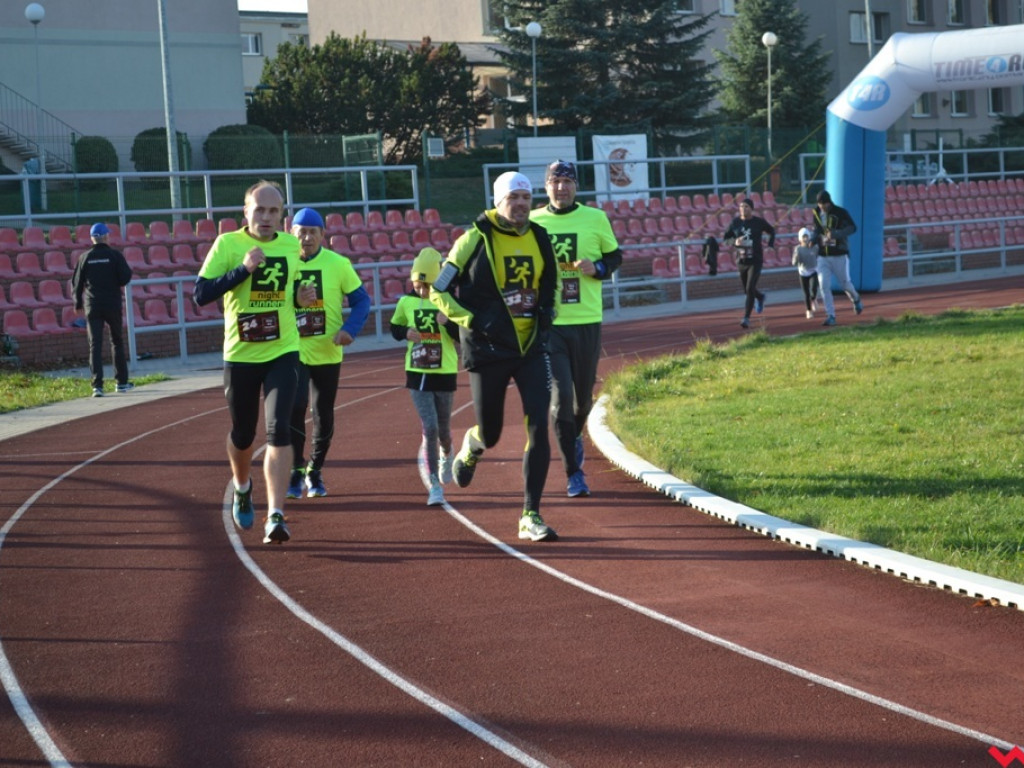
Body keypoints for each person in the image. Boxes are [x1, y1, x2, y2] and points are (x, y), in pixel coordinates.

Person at [429, 171, 559, 542]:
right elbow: (439, 292)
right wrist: (471, 319)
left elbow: (550, 284)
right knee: (493, 430)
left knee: (539, 426)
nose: (520, 204)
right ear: (497, 202)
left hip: (531, 346)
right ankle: (473, 444)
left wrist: (549, 313)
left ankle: (530, 514)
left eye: (525, 198)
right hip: (488, 348)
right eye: (513, 198)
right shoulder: (472, 239)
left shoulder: (540, 236)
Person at [194, 180, 316, 545]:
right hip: (241, 354)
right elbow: (200, 294)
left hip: (282, 350)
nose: (266, 216)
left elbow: (287, 293)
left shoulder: (292, 246)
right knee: (244, 434)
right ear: (245, 213)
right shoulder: (228, 244)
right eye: (259, 210)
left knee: (279, 430)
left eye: (273, 210)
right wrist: (243, 270)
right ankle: (242, 485)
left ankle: (276, 514)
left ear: (282, 215)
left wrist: (300, 298)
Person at [529, 159, 622, 498]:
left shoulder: (596, 218)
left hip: (586, 321)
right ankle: (574, 472)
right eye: (556, 181)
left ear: (576, 187)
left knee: (582, 402)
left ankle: (574, 436)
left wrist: (595, 267)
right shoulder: (533, 221)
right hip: (551, 325)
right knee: (560, 398)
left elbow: (615, 258)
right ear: (546, 186)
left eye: (567, 181)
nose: (561, 187)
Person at [286, 207, 371, 499]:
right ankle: (296, 469)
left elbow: (362, 301)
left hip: (328, 351)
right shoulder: (283, 264)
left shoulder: (338, 264)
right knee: (295, 408)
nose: (307, 238)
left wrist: (350, 329)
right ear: (291, 233)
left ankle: (315, 469)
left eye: (313, 232)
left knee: (323, 414)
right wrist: (295, 302)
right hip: (293, 349)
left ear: (323, 235)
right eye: (301, 232)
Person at [390, 247, 459, 506]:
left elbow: (461, 335)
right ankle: (434, 485)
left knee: (443, 430)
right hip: (417, 372)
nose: (422, 291)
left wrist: (448, 323)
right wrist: (405, 333)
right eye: (418, 286)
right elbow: (395, 326)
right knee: (429, 428)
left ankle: (447, 453)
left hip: (445, 371)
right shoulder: (405, 302)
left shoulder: (448, 301)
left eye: (427, 285)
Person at [71, 222, 134, 398]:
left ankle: (97, 386)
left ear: (92, 238)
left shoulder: (85, 257)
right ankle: (121, 382)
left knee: (94, 345)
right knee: (117, 342)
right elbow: (125, 278)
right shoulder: (114, 256)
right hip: (112, 304)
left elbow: (76, 282)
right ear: (106, 237)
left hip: (93, 305)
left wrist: (77, 302)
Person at [812, 189, 863, 327]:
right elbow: (817, 229)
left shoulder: (841, 212)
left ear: (829, 202)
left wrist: (836, 234)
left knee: (845, 284)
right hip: (823, 256)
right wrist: (813, 238)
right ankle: (831, 315)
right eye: (820, 204)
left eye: (824, 204)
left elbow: (853, 228)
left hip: (839, 254)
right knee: (823, 285)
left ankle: (856, 298)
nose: (822, 207)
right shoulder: (816, 213)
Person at [722, 197, 775, 328]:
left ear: (752, 209)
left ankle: (746, 317)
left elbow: (771, 230)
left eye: (746, 207)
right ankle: (760, 297)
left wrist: (770, 243)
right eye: (741, 207)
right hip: (741, 260)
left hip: (755, 260)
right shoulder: (735, 222)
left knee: (750, 287)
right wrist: (735, 242)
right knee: (747, 289)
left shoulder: (758, 222)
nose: (743, 209)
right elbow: (725, 238)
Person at [792, 227, 820, 320]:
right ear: (800, 238)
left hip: (813, 271)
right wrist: (796, 257)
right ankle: (809, 310)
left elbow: (818, 255)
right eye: (803, 237)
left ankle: (814, 298)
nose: (805, 239)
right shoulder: (798, 249)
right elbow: (794, 263)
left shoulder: (814, 247)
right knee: (806, 293)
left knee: (813, 289)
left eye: (807, 236)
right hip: (803, 273)